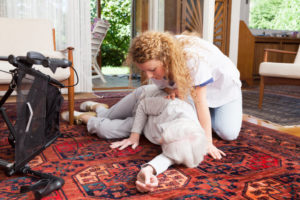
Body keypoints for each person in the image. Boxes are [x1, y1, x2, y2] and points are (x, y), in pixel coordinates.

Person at [62, 85, 207, 193]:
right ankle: (99, 107)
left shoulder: (187, 141)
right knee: (104, 117)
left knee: (104, 130)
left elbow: (171, 156)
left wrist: (149, 170)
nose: (161, 143)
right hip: (142, 102)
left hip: (147, 125)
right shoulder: (173, 106)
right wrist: (134, 135)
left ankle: (83, 117)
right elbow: (143, 107)